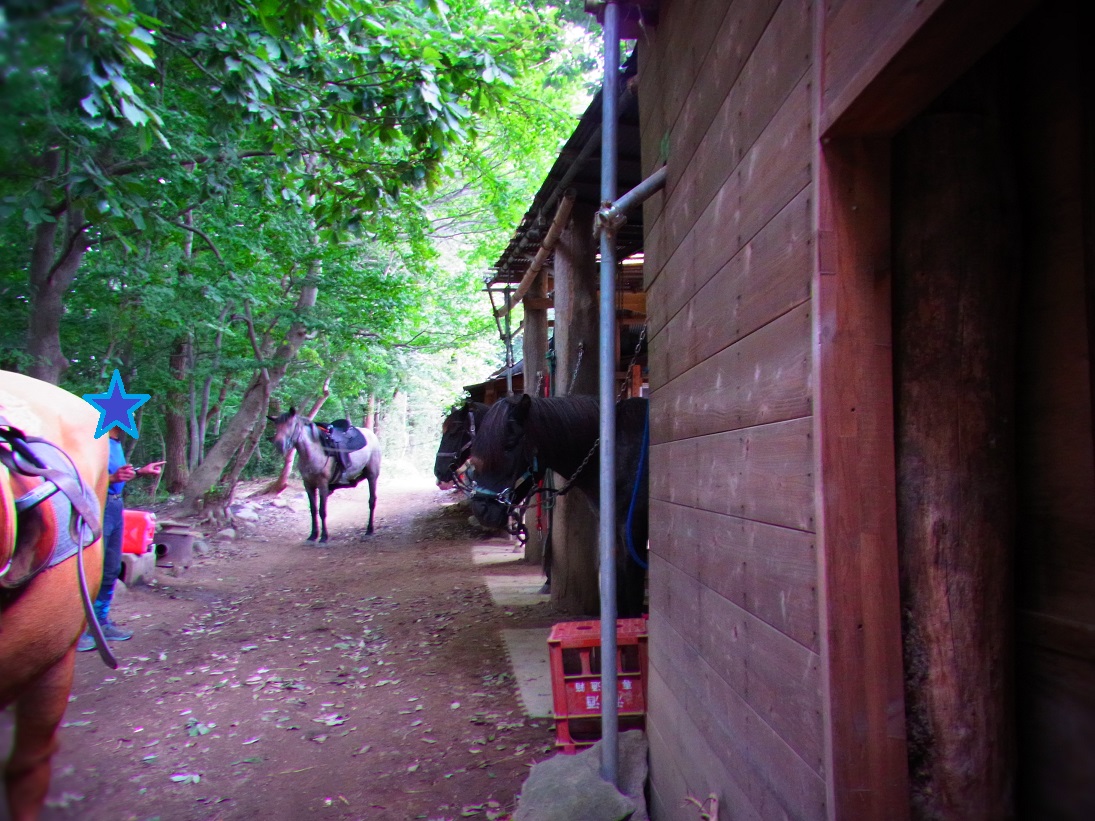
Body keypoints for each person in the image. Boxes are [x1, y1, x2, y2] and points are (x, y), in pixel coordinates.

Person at [77, 429, 164, 652]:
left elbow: (117, 473)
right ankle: (75, 631)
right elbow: (77, 478)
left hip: (115, 505)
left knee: (111, 568)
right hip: (98, 505)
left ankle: (100, 622)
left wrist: (139, 472)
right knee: (88, 568)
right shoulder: (92, 439)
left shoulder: (114, 442)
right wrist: (111, 479)